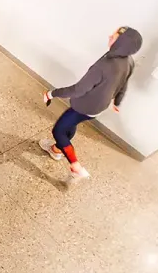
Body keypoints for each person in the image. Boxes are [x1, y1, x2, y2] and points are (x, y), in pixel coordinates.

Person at [40, 26, 143, 179]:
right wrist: (117, 102)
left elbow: (77, 90)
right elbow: (124, 83)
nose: (109, 37)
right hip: (99, 107)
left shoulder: (104, 66)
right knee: (71, 124)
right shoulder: (128, 61)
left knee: (58, 131)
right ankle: (57, 149)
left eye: (114, 37)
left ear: (121, 44)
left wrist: (51, 93)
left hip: (84, 106)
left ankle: (75, 165)